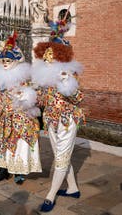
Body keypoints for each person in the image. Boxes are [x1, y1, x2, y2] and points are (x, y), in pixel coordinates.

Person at [32, 19, 85, 212]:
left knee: (61, 159)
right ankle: (72, 188)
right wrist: (27, 98)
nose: (47, 59)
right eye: (45, 55)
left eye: (51, 55)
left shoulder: (69, 73)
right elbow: (42, 99)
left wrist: (67, 83)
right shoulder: (46, 78)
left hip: (66, 121)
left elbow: (79, 97)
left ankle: (50, 195)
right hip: (51, 122)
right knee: (62, 156)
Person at [0, 31, 42, 185]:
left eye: (8, 60)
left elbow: (30, 93)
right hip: (0, 114)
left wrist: (23, 96)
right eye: (3, 60)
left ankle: (18, 171)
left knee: (19, 139)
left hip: (18, 113)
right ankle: (3, 169)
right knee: (0, 139)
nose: (5, 63)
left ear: (16, 61)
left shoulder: (22, 76)